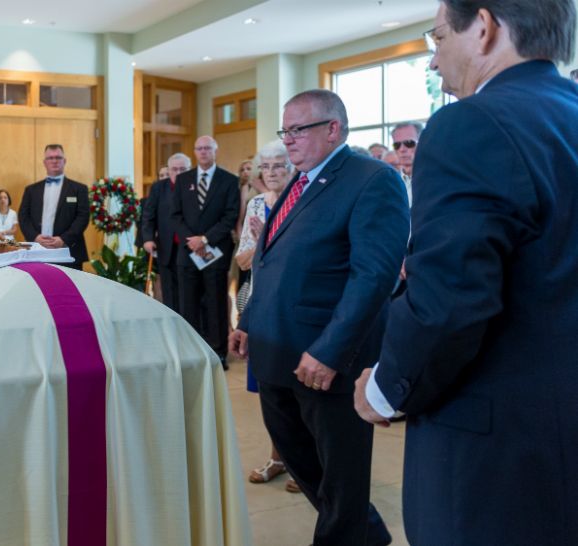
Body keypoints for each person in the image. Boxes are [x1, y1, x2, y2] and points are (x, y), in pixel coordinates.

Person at [354, 2, 578, 545]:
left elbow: (449, 302)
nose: (433, 63)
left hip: (501, 457)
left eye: (436, 39)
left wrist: (384, 387)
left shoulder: (471, 122)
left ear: (484, 27)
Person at [228, 89, 409, 546]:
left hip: (327, 359)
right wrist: (248, 320)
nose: (288, 141)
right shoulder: (301, 180)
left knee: (341, 472)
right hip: (276, 351)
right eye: (284, 131)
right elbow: (272, 261)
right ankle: (366, 534)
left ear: (333, 129)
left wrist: (330, 351)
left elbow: (374, 277)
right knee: (300, 457)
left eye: (298, 130)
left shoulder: (373, 179)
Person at [234, 140, 300, 494]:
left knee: (298, 390)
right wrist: (262, 248)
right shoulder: (257, 203)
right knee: (268, 391)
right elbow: (244, 260)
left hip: (294, 309)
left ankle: (304, 463)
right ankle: (278, 457)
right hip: (262, 305)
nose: (273, 172)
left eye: (280, 165)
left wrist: (266, 245)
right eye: (268, 167)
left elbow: (297, 260)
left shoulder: (302, 202)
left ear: (292, 168)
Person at [170, 135, 240, 370]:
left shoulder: (229, 181)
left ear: (215, 151)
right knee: (187, 303)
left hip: (216, 251)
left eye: (207, 148)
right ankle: (191, 350)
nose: (203, 152)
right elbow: (175, 215)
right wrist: (192, 240)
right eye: (199, 148)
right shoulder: (183, 180)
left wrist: (206, 239)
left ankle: (218, 351)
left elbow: (230, 216)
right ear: (194, 152)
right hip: (188, 252)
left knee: (216, 303)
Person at [18, 144, 90, 270]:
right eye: (50, 158)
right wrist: (35, 237)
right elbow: (23, 217)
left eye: (58, 157)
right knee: (38, 288)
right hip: (37, 250)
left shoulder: (79, 189)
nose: (54, 161)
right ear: (45, 162)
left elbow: (83, 217)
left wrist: (64, 239)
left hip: (69, 251)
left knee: (69, 289)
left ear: (64, 161)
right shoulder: (31, 190)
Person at [142, 153, 191, 311]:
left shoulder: (195, 186)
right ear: (168, 170)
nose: (178, 173)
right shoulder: (158, 188)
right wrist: (148, 238)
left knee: (189, 292)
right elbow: (149, 215)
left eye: (183, 169)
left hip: (190, 247)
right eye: (174, 169)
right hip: (167, 247)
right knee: (169, 292)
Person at [390, 121, 423, 204]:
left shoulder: (436, 179)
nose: (402, 149)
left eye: (409, 143)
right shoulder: (390, 182)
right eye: (396, 145)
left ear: (423, 142)